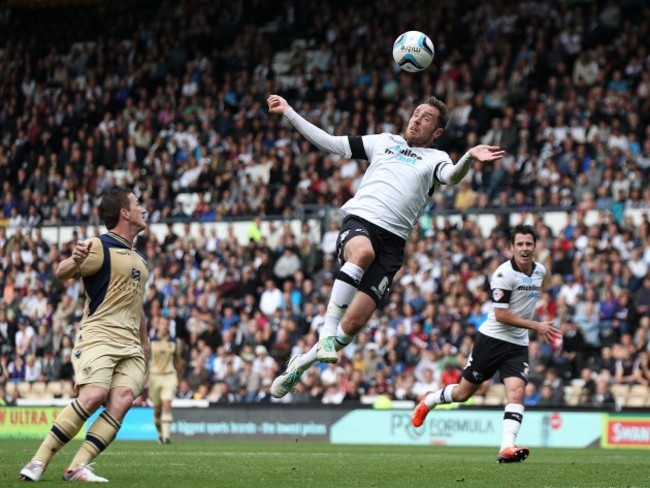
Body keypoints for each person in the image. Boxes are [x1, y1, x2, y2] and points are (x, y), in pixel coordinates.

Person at [266, 93, 506, 398]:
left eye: (426, 118)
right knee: (362, 253)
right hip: (361, 222)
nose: (417, 119)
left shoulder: (436, 159)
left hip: (393, 244)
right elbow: (329, 141)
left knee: (353, 325)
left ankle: (302, 362)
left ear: (437, 132)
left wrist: (469, 158)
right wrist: (288, 111)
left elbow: (452, 177)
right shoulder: (383, 141)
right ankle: (326, 332)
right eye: (416, 113)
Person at [19, 187, 150, 482]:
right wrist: (75, 260)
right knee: (93, 395)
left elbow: (136, 307)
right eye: (137, 203)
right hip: (100, 336)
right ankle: (38, 461)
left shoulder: (141, 261)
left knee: (124, 398)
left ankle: (78, 466)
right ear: (124, 213)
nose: (143, 208)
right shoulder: (99, 246)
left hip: (131, 345)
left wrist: (146, 345)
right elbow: (61, 271)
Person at [411, 224, 560, 463]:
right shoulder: (504, 274)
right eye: (520, 244)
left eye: (529, 244)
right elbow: (501, 315)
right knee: (462, 394)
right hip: (492, 340)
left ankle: (506, 447)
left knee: (517, 392)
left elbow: (547, 282)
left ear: (535, 246)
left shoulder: (540, 270)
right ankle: (429, 400)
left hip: (517, 344)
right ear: (512, 247)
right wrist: (537, 325)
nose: (524, 248)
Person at [148, 316, 183, 444]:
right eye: (162, 323)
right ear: (158, 325)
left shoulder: (175, 342)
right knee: (157, 409)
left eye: (167, 324)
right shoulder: (151, 341)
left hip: (169, 375)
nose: (164, 326)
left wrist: (180, 378)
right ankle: (160, 433)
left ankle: (166, 436)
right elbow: (146, 360)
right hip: (154, 376)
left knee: (167, 404)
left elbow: (178, 361)